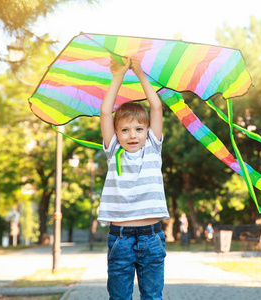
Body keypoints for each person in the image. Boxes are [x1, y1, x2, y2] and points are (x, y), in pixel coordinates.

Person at [97, 55, 169, 300]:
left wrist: (139, 72)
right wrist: (118, 75)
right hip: (121, 240)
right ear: (116, 133)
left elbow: (156, 107)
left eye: (139, 129)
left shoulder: (152, 147)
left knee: (152, 297)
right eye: (125, 130)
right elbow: (106, 112)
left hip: (152, 236)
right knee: (119, 298)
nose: (132, 135)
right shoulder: (113, 150)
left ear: (147, 131)